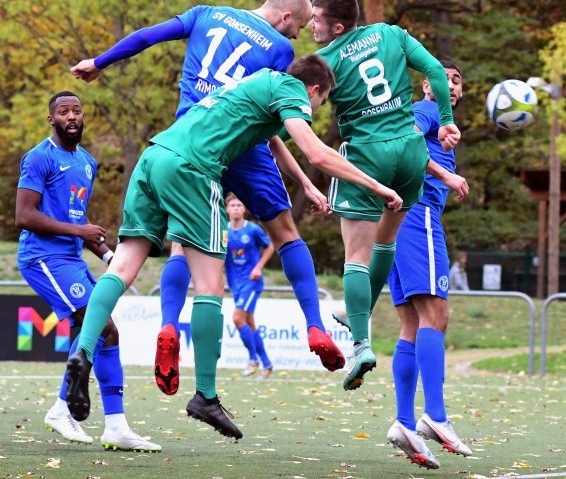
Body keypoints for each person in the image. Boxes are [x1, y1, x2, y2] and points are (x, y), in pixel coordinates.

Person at [65, 55, 403, 442]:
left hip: (154, 156)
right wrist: (376, 186)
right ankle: (205, 396)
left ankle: (83, 352)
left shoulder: (260, 80)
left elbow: (273, 139)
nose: (314, 111)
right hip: (192, 169)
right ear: (313, 90)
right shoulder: (293, 91)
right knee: (210, 286)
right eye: (320, 103)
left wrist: (306, 186)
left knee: (122, 268)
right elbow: (317, 153)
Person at [70, 0, 346, 397]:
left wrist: (100, 62)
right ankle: (313, 326)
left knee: (179, 245)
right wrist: (306, 181)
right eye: (300, 28)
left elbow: (148, 35)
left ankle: (166, 324)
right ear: (287, 18)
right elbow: (266, 117)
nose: (297, 37)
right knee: (285, 233)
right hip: (236, 148)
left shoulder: (206, 13)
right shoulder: (278, 50)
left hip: (184, 135)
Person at [310, 0, 461, 392]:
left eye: (316, 19)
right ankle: (361, 310)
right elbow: (432, 70)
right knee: (385, 242)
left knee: (356, 255)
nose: (311, 24)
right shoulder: (391, 34)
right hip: (410, 154)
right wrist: (445, 120)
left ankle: (360, 343)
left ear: (337, 27)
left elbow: (305, 107)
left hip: (366, 155)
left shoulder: (325, 61)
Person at [16, 92, 160, 452]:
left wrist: (111, 257)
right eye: (63, 112)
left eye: (77, 111)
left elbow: (78, 222)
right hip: (42, 258)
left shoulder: (87, 163)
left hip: (70, 259)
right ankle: (67, 411)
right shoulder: (38, 158)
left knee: (104, 333)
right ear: (52, 119)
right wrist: (81, 233)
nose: (72, 117)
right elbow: (25, 216)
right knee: (99, 325)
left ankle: (111, 425)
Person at [383, 61, 472, 468]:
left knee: (412, 324)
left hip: (400, 220)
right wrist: (448, 178)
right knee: (436, 315)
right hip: (418, 214)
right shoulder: (427, 111)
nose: (450, 85)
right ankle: (435, 416)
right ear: (427, 85)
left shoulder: (441, 121)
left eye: (457, 81)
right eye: (444, 78)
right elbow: (407, 145)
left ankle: (404, 423)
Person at [225, 193, 275, 379]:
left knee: (238, 319)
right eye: (233, 205)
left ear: (244, 209)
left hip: (251, 282)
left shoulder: (252, 229)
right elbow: (221, 254)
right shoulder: (224, 231)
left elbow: (271, 246)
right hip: (235, 283)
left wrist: (259, 267)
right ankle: (267, 363)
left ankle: (253, 359)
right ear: (227, 209)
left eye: (239, 205)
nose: (236, 208)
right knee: (250, 323)